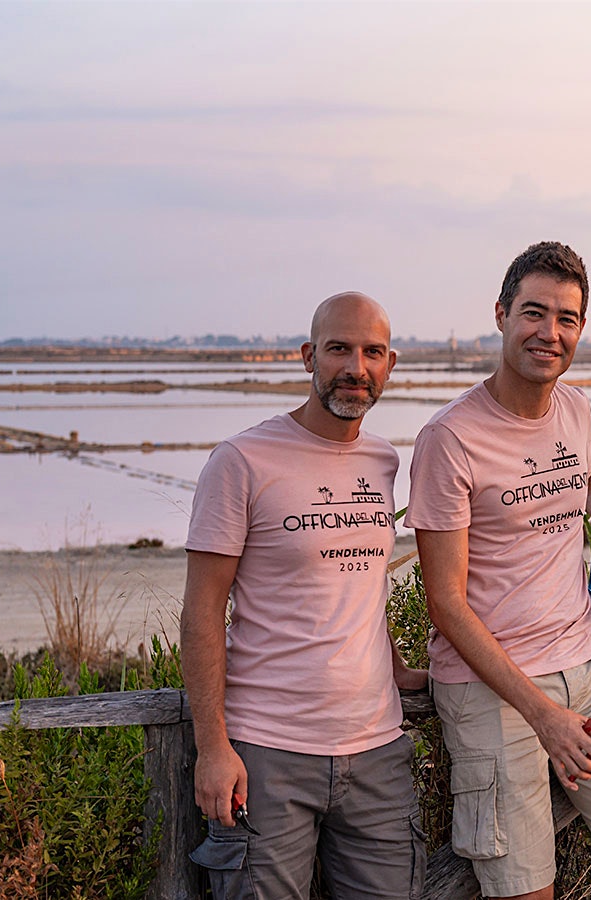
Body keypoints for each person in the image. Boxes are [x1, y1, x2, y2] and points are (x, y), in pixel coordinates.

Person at [407, 242, 591, 900]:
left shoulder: (573, 406)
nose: (549, 332)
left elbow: (586, 461)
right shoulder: (450, 440)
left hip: (587, 671)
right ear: (503, 314)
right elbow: (446, 605)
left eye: (566, 318)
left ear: (580, 330)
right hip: (493, 688)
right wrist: (542, 716)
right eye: (534, 313)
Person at [182, 291, 428, 899]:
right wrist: (213, 746)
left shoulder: (383, 461)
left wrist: (398, 669)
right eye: (339, 348)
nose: (356, 367)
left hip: (377, 752)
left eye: (372, 352)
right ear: (308, 357)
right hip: (267, 755)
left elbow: (360, 584)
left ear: (390, 365)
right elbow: (202, 613)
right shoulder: (241, 460)